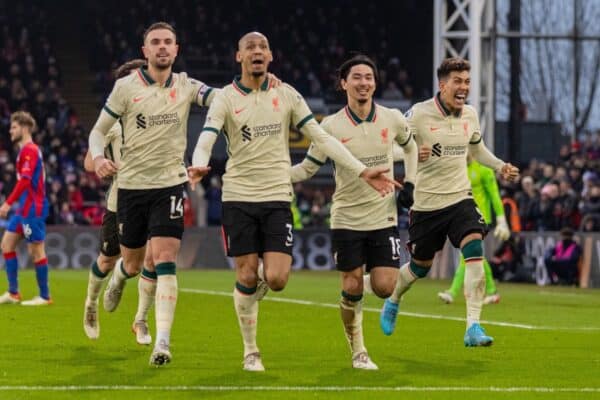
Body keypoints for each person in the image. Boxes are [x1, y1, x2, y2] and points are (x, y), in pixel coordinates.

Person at [188, 32, 397, 372]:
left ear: (270, 57)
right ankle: (251, 351)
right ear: (238, 56)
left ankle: (247, 293)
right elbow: (208, 134)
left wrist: (361, 171)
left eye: (263, 48)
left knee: (277, 279)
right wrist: (199, 160)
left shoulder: (286, 95)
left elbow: (321, 137)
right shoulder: (225, 97)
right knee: (245, 272)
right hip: (238, 195)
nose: (257, 52)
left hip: (276, 196)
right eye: (250, 48)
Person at [87, 22, 216, 366]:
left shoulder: (188, 85)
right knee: (130, 262)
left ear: (176, 49)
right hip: (130, 188)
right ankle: (118, 278)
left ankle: (162, 342)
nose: (162, 47)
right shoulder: (125, 88)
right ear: (145, 51)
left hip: (170, 184)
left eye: (168, 42)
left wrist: (257, 87)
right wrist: (99, 158)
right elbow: (97, 132)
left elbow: (223, 99)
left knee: (164, 260)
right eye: (155, 43)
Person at [379, 57, 519, 347]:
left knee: (475, 249)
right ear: (442, 85)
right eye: (457, 81)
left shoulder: (470, 114)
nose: (463, 87)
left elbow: (478, 150)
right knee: (419, 267)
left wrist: (499, 166)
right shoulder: (417, 114)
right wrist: (414, 152)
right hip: (427, 205)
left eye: (467, 82)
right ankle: (393, 300)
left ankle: (473, 326)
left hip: (460, 199)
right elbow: (389, 149)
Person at [290, 55, 418, 369]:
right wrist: (276, 175)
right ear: (344, 83)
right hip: (346, 217)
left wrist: (411, 183)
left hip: (383, 217)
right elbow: (308, 168)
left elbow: (411, 146)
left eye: (369, 77)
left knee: (385, 286)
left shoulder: (392, 118)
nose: (363, 83)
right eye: (357, 77)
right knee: (351, 286)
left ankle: (375, 294)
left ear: (375, 83)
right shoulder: (330, 126)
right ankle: (358, 350)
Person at [82, 59, 155, 345]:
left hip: (156, 195)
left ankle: (141, 321)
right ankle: (90, 304)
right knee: (107, 259)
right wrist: (103, 163)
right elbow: (89, 163)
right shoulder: (111, 124)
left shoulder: (158, 114)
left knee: (153, 259)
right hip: (121, 200)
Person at [437, 157, 510, 305]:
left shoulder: (484, 169)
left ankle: (452, 291)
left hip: (480, 219)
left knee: (468, 255)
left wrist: (502, 219)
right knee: (477, 257)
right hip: (464, 218)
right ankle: (492, 291)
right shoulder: (460, 169)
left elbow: (494, 195)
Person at [0, 111, 51, 305]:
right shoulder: (23, 151)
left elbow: (26, 181)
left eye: (14, 127)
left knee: (36, 250)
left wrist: (7, 203)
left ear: (25, 128)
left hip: (33, 207)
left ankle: (45, 296)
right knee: (7, 245)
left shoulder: (30, 150)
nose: (10, 131)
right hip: (24, 208)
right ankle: (13, 293)